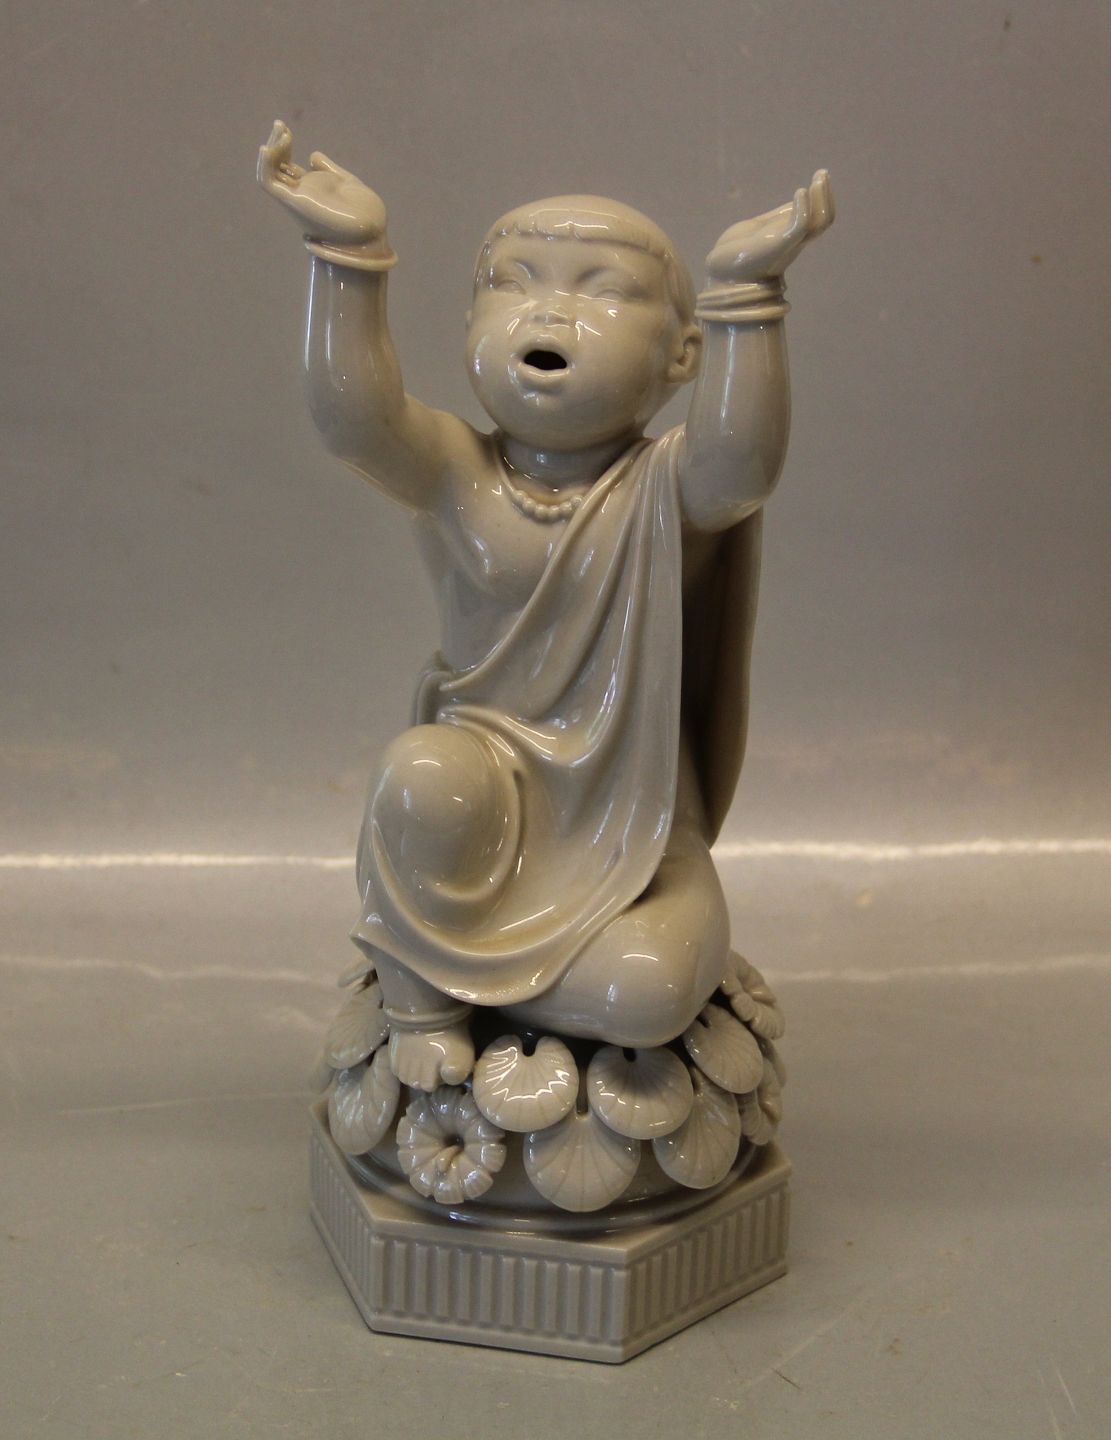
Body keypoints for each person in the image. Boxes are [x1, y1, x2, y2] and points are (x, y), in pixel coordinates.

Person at [258, 122, 833, 1090]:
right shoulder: (455, 469)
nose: (551, 310)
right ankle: (427, 997)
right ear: (470, 325)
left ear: (683, 355)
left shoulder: (668, 487)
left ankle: (439, 972)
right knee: (422, 772)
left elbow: (742, 465)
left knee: (647, 991)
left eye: (605, 291)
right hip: (482, 803)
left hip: (637, 831)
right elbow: (353, 419)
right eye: (512, 282)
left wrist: (747, 292)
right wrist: (347, 253)